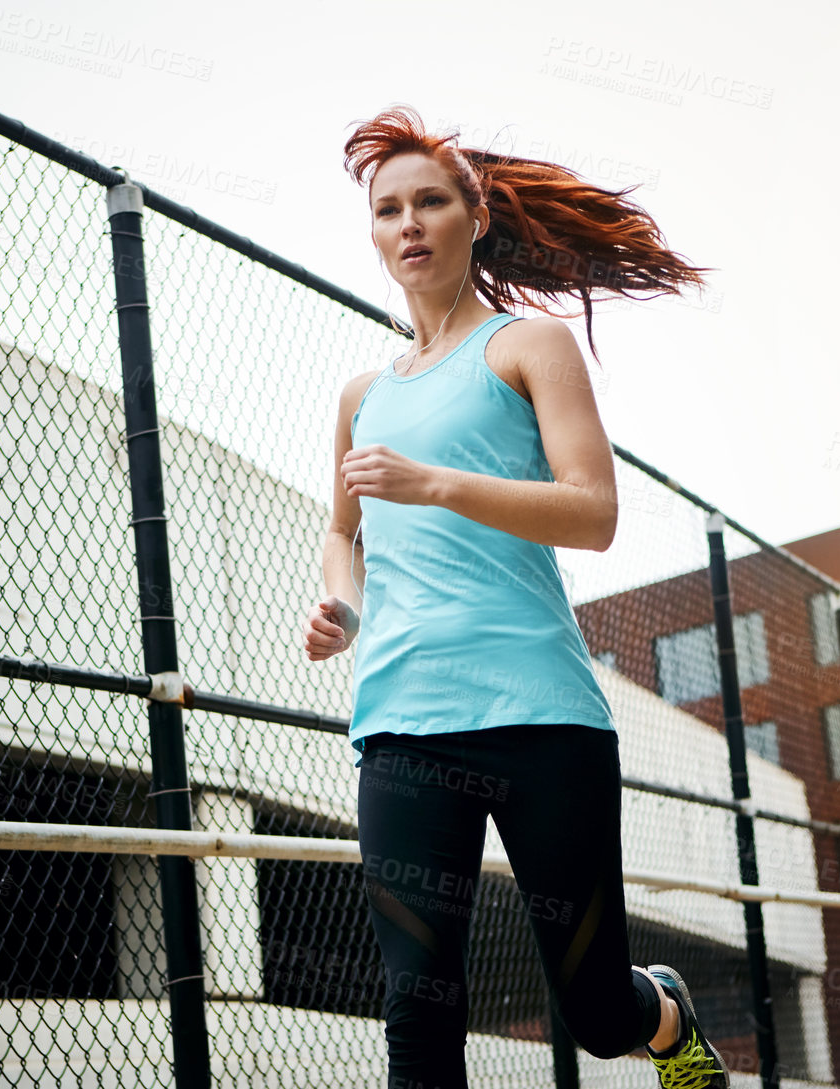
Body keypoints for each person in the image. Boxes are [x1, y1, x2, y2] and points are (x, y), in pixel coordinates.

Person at [301, 104, 724, 1089]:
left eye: (430, 202)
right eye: (387, 209)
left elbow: (592, 511)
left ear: (474, 217)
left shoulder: (527, 348)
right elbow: (341, 531)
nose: (407, 224)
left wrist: (436, 484)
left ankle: (662, 1016)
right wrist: (343, 607)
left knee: (593, 1015)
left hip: (540, 719)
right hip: (402, 726)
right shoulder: (363, 396)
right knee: (417, 1009)